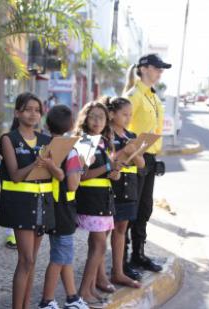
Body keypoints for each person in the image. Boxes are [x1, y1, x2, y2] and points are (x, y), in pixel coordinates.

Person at [0, 92, 60, 309]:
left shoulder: (47, 141)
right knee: (26, 260)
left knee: (32, 262)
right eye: (27, 109)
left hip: (42, 204)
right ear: (17, 112)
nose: (33, 114)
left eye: (37, 110)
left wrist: (51, 165)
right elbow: (15, 175)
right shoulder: (9, 139)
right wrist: (36, 163)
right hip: (20, 205)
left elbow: (59, 175)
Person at [123, 54, 171, 273]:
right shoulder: (133, 95)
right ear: (143, 69)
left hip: (149, 158)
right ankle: (121, 261)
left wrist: (154, 157)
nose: (160, 72)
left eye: (162, 69)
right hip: (135, 159)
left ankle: (138, 255)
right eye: (157, 68)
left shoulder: (153, 96)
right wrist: (133, 154)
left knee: (144, 209)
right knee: (130, 211)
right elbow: (121, 126)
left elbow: (154, 130)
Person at [39, 105, 88, 309]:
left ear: (47, 124)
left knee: (64, 254)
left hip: (49, 206)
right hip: (64, 209)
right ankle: (46, 301)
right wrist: (81, 167)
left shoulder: (45, 146)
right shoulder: (70, 149)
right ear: (70, 125)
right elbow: (73, 184)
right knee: (59, 257)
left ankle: (72, 297)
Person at [74, 101, 121, 308]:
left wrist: (114, 173)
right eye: (92, 116)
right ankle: (83, 291)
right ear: (85, 118)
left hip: (104, 198)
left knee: (98, 246)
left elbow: (106, 172)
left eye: (101, 117)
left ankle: (90, 288)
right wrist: (107, 167)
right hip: (90, 199)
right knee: (99, 246)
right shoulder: (84, 142)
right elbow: (82, 176)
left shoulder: (103, 141)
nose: (97, 121)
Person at [103, 96, 144, 288]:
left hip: (129, 187)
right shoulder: (106, 135)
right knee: (102, 233)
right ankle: (98, 274)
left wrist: (135, 151)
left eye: (130, 114)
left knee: (121, 229)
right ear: (112, 114)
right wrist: (124, 151)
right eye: (124, 114)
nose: (128, 118)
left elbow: (141, 163)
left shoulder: (132, 135)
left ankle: (118, 272)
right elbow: (108, 161)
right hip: (111, 187)